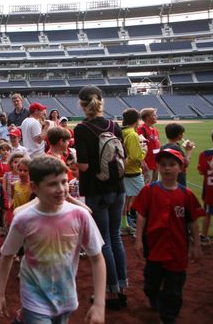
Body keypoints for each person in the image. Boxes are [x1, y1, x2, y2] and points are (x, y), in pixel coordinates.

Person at [0, 155, 106, 324]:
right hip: (34, 298)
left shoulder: (80, 216)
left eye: (64, 181)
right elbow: (8, 255)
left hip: (66, 298)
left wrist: (99, 304)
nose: (61, 189)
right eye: (52, 184)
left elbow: (97, 258)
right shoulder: (24, 219)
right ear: (34, 187)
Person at [133, 148, 205, 324]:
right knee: (152, 281)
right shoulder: (149, 190)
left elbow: (193, 222)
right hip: (154, 246)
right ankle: (153, 294)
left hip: (178, 248)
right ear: (157, 166)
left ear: (180, 168)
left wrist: (196, 245)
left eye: (172, 165)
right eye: (163, 164)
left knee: (174, 287)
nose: (167, 169)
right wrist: (138, 239)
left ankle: (168, 317)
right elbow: (141, 215)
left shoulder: (186, 195)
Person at [73, 85, 127, 310]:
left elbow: (84, 166)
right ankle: (122, 288)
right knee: (116, 237)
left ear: (82, 104)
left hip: (97, 190)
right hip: (118, 187)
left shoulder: (81, 129)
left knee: (103, 240)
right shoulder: (115, 125)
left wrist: (74, 163)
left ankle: (111, 291)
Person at [120, 109, 146, 236]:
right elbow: (136, 157)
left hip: (122, 171)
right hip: (133, 172)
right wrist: (144, 150)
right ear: (137, 120)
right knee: (143, 200)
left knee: (125, 199)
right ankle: (142, 229)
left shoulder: (121, 132)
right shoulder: (133, 134)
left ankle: (124, 225)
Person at [197, 127, 213, 247]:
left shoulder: (205, 154)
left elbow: (202, 171)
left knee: (207, 213)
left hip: (210, 190)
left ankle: (204, 236)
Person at [138, 108, 160, 184]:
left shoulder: (155, 130)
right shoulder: (142, 129)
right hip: (147, 165)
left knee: (155, 187)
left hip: (156, 164)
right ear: (147, 117)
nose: (156, 116)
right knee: (146, 187)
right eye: (154, 115)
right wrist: (142, 162)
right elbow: (139, 147)